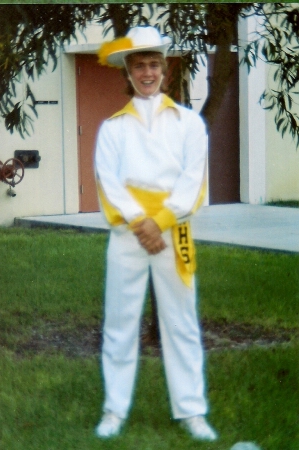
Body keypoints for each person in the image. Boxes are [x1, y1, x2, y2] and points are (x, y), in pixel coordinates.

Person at [94, 26, 217, 441]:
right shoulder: (113, 128)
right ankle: (114, 409)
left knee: (180, 320)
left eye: (153, 64)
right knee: (120, 320)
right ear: (127, 72)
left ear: (165, 68)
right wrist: (140, 223)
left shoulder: (188, 123)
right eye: (138, 65)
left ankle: (191, 410)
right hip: (129, 234)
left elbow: (192, 181)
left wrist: (159, 222)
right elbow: (108, 181)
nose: (147, 72)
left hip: (172, 230)